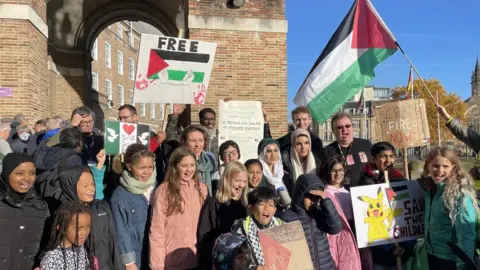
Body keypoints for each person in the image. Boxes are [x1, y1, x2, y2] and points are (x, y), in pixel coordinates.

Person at [357, 142, 415, 269]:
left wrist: (405, 245)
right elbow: (365, 222)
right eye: (383, 156)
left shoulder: (401, 181)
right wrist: (385, 247)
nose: (388, 160)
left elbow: (409, 217)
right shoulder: (364, 185)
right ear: (374, 159)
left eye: (391, 156)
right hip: (378, 252)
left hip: (401, 250)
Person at [419, 147, 478, 269]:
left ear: (453, 168)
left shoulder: (459, 195)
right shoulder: (428, 189)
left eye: (445, 166)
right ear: (428, 166)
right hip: (432, 255)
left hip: (453, 260)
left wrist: (464, 265)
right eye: (435, 165)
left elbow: (466, 233)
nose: (440, 170)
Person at [149, 147, 208, 269]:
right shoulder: (164, 190)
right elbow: (157, 229)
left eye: (192, 165)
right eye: (184, 166)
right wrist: (157, 265)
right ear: (175, 167)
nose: (189, 170)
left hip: (197, 258)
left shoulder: (201, 189)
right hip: (172, 260)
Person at [56, 165, 120, 269]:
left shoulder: (102, 208)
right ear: (70, 187)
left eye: (92, 184)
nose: (91, 189)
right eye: (85, 186)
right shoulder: (65, 214)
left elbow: (113, 243)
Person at [110, 143, 157, 270]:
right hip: (137, 257)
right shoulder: (120, 196)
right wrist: (129, 262)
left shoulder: (157, 187)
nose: (147, 172)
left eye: (150, 167)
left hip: (156, 254)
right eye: (141, 167)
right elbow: (121, 230)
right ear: (130, 166)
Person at [213, 187, 284, 269]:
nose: (267, 208)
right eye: (261, 204)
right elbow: (235, 262)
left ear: (275, 210)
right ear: (251, 208)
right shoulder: (240, 230)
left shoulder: (283, 226)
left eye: (271, 205)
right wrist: (255, 268)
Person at [281, 174, 342, 270]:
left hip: (325, 266)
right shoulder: (288, 216)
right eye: (310, 197)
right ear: (300, 194)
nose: (313, 201)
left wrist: (325, 201)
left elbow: (336, 228)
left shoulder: (318, 213)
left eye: (316, 198)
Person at [0, 153, 50, 270]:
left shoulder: (40, 207)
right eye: (19, 173)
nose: (27, 178)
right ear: (7, 174)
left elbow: (45, 244)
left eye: (32, 173)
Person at [197, 161, 248, 269]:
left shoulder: (245, 206)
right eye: (238, 180)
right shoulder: (213, 203)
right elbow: (204, 235)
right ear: (227, 179)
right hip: (218, 261)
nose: (241, 185)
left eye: (244, 181)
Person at [319, 156, 362, 270]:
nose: (338, 174)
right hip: (337, 237)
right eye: (333, 170)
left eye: (340, 170)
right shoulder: (324, 193)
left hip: (353, 232)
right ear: (327, 172)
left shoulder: (348, 191)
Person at [324, 112, 373, 188]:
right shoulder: (327, 151)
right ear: (333, 131)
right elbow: (323, 177)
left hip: (367, 191)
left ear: (352, 128)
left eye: (347, 126)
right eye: (339, 127)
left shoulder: (367, 145)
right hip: (341, 195)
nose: (344, 129)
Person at [39, 202, 95, 270]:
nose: (85, 232)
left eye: (88, 226)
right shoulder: (52, 258)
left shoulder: (82, 247)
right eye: (78, 228)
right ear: (61, 228)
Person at [180, 124, 218, 197]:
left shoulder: (209, 159)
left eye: (201, 140)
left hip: (206, 203)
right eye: (193, 141)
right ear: (184, 142)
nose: (197, 145)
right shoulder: (178, 161)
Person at [257, 138, 292, 208]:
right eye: (269, 151)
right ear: (263, 153)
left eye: (276, 150)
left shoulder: (284, 173)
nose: (273, 154)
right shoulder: (258, 174)